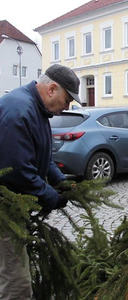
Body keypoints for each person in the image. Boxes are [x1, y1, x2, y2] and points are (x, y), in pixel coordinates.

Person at [0, 64, 80, 299]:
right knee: (17, 282)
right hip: (5, 208)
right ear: (52, 89)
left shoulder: (38, 110)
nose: (67, 107)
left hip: (14, 206)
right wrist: (51, 196)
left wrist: (60, 180)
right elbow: (18, 171)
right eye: (67, 100)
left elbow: (43, 157)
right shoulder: (19, 110)